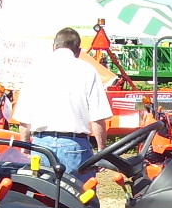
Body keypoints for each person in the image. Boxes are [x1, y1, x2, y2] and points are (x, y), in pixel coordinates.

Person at [15, 27, 112, 176]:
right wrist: (101, 152)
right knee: (79, 196)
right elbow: (97, 118)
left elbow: (24, 119)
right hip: (75, 146)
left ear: (54, 47)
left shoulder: (36, 70)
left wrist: (26, 149)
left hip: (41, 145)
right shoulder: (87, 70)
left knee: (42, 196)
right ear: (78, 51)